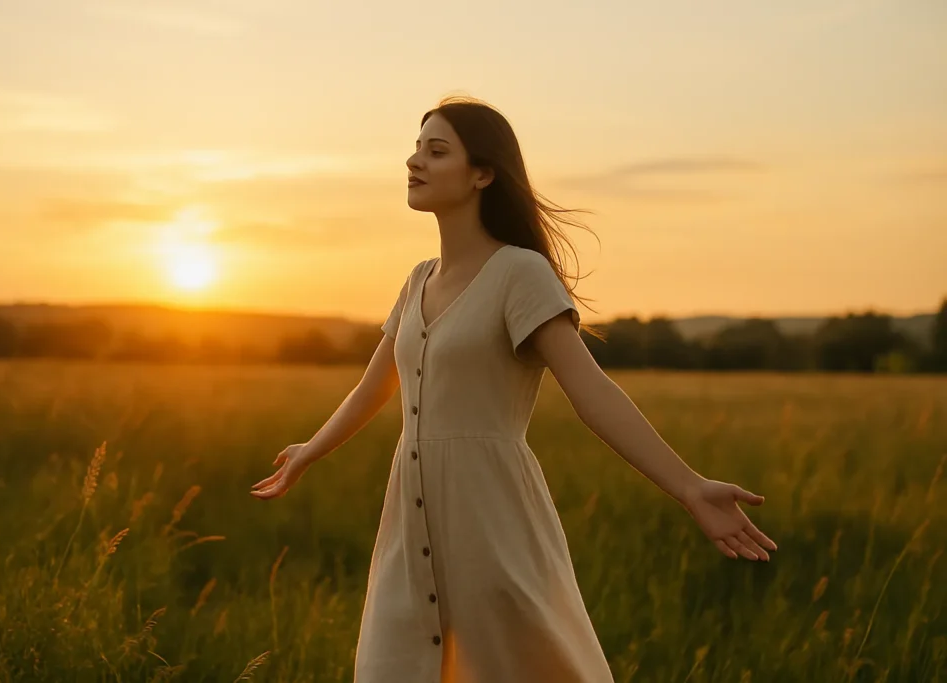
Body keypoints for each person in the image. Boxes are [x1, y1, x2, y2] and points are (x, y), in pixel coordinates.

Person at [250, 95, 778, 683]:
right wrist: (309, 451)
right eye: (416, 147)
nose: (414, 161)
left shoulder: (520, 273)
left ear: (482, 174)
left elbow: (592, 392)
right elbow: (373, 388)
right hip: (410, 518)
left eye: (436, 150)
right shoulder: (417, 280)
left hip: (493, 519)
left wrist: (689, 487)